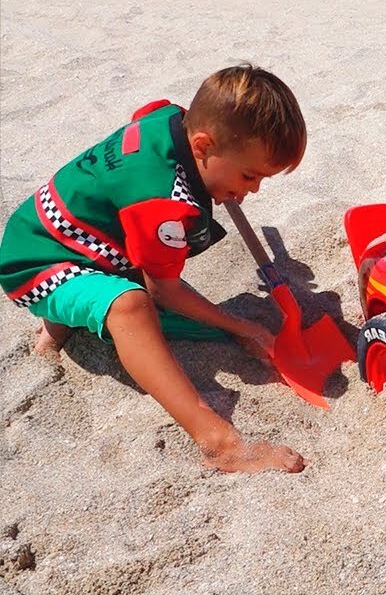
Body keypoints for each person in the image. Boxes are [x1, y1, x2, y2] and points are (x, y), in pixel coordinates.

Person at [0, 64, 308, 473]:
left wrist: (225, 178)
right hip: (36, 263)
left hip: (70, 237)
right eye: (249, 175)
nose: (252, 190)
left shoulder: (171, 117)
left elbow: (146, 114)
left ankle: (61, 325)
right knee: (132, 305)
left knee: (174, 309)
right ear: (201, 145)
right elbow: (164, 290)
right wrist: (244, 327)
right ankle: (218, 443)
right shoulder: (162, 203)